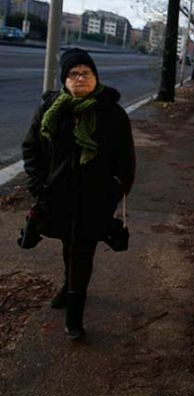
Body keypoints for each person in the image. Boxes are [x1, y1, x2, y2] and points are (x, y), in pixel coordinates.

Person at [21, 48, 136, 340]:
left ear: (95, 77)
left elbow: (126, 160)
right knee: (67, 245)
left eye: (86, 72)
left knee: (83, 250)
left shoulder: (112, 113)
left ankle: (75, 314)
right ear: (64, 79)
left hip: (94, 199)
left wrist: (112, 191)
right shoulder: (50, 110)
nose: (80, 78)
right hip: (57, 197)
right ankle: (66, 285)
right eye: (73, 74)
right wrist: (37, 184)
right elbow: (31, 148)